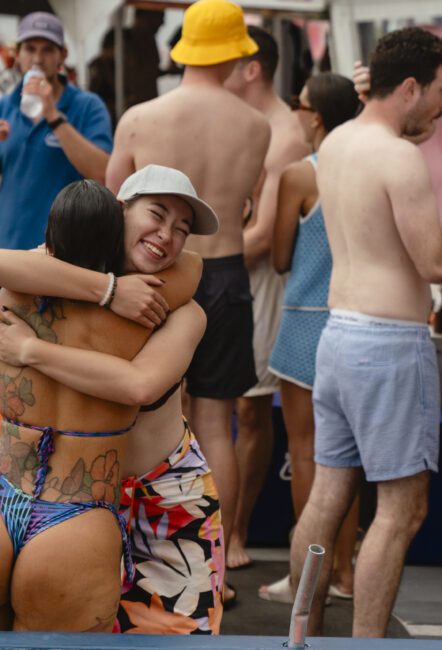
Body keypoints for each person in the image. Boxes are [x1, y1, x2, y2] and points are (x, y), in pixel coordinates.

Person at [0, 165, 226, 635]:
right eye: (156, 215)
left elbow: (140, 386)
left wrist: (32, 350)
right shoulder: (65, 272)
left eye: (181, 229)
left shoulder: (182, 308)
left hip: (162, 497)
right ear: (120, 210)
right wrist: (109, 291)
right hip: (74, 497)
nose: (167, 236)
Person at [105, 0, 270, 597]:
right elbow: (245, 206)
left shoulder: (142, 116)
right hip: (224, 272)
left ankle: (134, 555)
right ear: (235, 54)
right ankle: (219, 566)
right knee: (215, 424)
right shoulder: (257, 126)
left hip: (157, 278)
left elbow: (111, 200)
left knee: (145, 419)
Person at [289, 27, 442, 637]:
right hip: (389, 346)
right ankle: (366, 644)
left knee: (327, 500)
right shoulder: (398, 157)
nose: (439, 107)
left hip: (339, 334)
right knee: (400, 511)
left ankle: (301, 630)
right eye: (436, 92)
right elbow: (433, 263)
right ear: (411, 86)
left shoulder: (340, 142)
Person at [257, 73, 361, 603]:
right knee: (346, 457)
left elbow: (278, 259)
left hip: (303, 323)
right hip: (355, 318)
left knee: (306, 453)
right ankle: (344, 570)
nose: (295, 113)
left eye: (299, 105)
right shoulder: (367, 165)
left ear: (316, 115)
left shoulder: (301, 175)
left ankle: (308, 577)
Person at [222, 25, 310, 569]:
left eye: (225, 63)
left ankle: (235, 532)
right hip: (229, 271)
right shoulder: (241, 124)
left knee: (249, 411)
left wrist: (198, 258)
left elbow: (260, 239)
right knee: (214, 408)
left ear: (251, 69)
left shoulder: (285, 135)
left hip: (256, 279)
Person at [0, 11, 113, 304]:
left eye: (47, 50)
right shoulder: (3, 107)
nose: (37, 58)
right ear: (17, 55)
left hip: (62, 263)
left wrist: (52, 115)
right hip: (5, 260)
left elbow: (103, 172)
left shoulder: (86, 106)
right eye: (30, 49)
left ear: (62, 56)